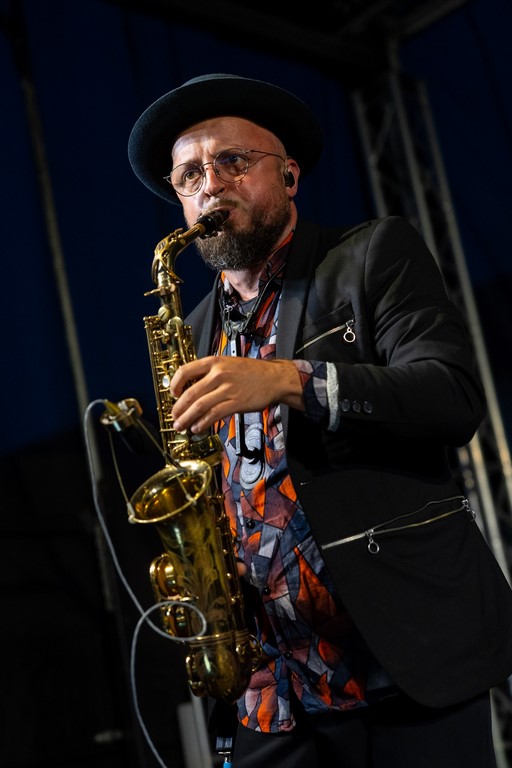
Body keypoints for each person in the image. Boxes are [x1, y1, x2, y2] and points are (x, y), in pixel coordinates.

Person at [127, 73, 512, 767]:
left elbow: (451, 396)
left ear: (290, 175)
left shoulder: (370, 255)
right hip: (274, 689)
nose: (211, 185)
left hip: (400, 658)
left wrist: (287, 379)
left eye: (233, 161)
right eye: (190, 175)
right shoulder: (192, 326)